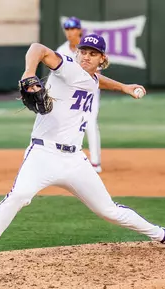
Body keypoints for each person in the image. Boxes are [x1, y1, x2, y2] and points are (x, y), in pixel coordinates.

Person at [0, 34, 165, 278]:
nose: (86, 56)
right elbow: (37, 48)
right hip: (43, 154)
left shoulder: (89, 77)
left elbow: (96, 80)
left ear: (102, 58)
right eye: (83, 51)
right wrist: (28, 73)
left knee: (108, 210)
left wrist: (123, 87)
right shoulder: (68, 66)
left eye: (93, 54)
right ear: (77, 53)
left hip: (74, 160)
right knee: (18, 196)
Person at [56, 16, 103, 173]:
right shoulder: (61, 51)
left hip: (90, 93)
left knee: (90, 123)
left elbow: (96, 73)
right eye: (67, 29)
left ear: (79, 30)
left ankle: (95, 162)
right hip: (69, 95)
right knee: (65, 125)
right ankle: (65, 160)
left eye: (73, 28)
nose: (70, 32)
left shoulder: (89, 48)